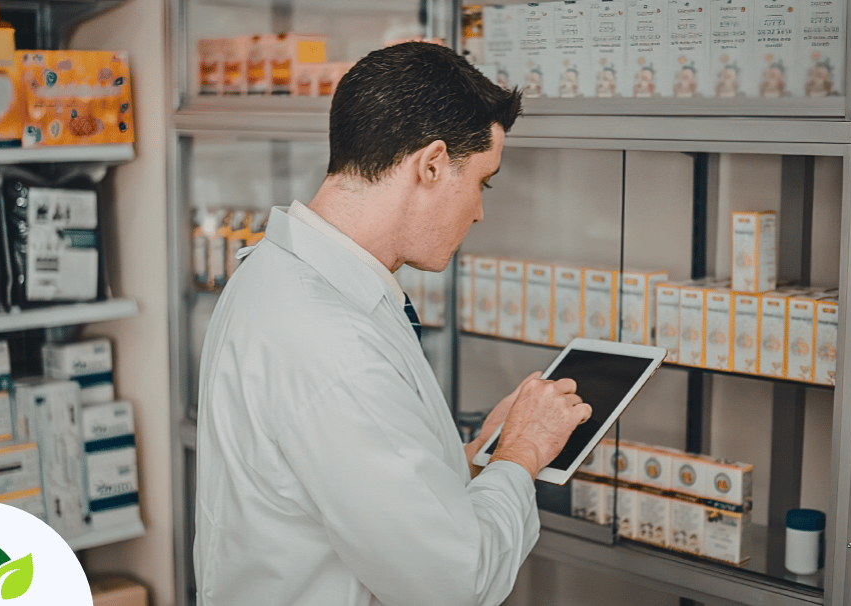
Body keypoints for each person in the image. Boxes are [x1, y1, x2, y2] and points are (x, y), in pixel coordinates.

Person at [194, 42, 592, 606]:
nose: (479, 211)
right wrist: (521, 452)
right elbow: (455, 581)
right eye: (483, 181)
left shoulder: (280, 273)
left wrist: (474, 453)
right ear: (430, 165)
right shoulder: (331, 341)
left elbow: (352, 482)